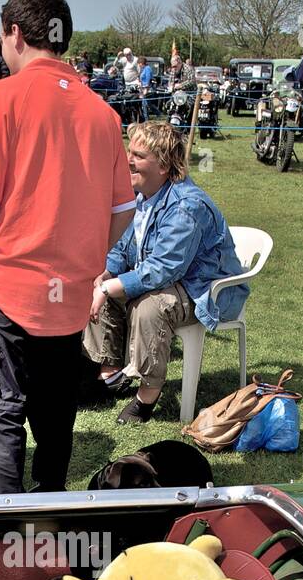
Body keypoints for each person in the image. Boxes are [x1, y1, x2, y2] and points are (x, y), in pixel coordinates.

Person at [0, 0, 135, 494]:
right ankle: (49, 515)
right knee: (54, 421)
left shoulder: (1, 97)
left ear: (14, 33)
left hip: (3, 290)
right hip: (67, 300)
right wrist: (89, 263)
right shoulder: (104, 114)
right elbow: (122, 212)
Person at [83, 122, 249, 425]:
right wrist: (105, 274)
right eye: (129, 152)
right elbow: (123, 248)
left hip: (205, 288)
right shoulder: (140, 197)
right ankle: (110, 374)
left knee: (150, 308)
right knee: (99, 286)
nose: (128, 160)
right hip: (171, 279)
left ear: (163, 165)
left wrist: (109, 288)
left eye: (139, 156)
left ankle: (148, 394)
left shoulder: (187, 205)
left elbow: (163, 268)